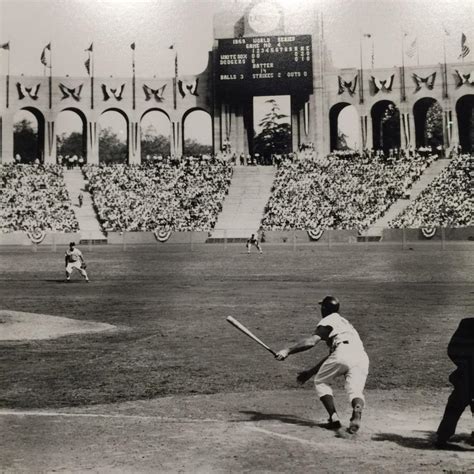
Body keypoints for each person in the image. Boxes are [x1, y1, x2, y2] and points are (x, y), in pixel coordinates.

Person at [275, 296, 369, 434]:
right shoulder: (346, 324)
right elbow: (334, 356)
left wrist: (287, 351)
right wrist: (310, 372)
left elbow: (311, 342)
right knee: (355, 390)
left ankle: (333, 418)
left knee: (321, 382)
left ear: (324, 309)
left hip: (343, 352)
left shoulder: (328, 321)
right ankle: (357, 408)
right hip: (361, 356)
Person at [435, 318, 474, 448]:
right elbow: (453, 349)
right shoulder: (467, 324)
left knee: (455, 404)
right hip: (468, 375)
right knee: (455, 404)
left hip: (467, 375)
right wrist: (464, 365)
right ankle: (442, 437)